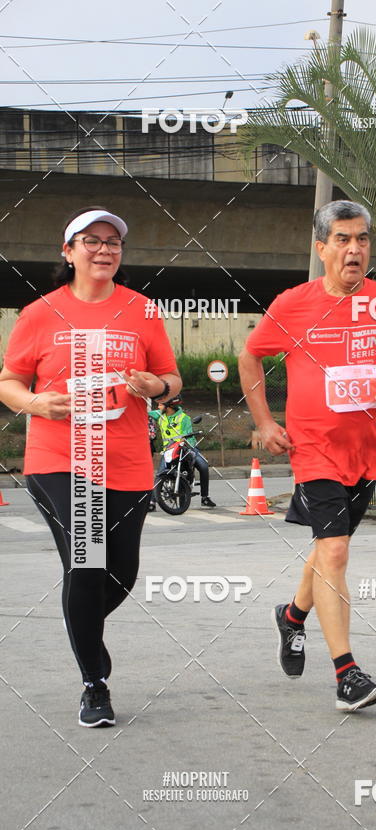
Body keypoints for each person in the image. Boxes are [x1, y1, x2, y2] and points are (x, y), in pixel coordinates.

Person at [238, 199, 376, 712]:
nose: (354, 249)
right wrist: (265, 423)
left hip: (367, 451)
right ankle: (347, 675)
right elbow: (250, 356)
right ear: (321, 248)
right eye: (342, 239)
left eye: (362, 239)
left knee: (326, 551)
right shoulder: (293, 304)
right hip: (313, 449)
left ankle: (292, 617)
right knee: (336, 551)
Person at [0, 207, 181, 727]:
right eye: (92, 241)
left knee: (120, 575)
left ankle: (82, 625)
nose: (104, 249)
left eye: (113, 242)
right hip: (60, 458)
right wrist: (38, 403)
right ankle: (94, 683)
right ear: (69, 251)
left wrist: (155, 386)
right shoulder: (39, 313)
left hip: (127, 460)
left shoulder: (143, 310)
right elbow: (9, 382)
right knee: (86, 562)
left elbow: (171, 380)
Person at [149, 397, 216, 507]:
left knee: (203, 466)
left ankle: (205, 497)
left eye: (160, 404)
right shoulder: (160, 415)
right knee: (160, 473)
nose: (158, 407)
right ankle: (152, 502)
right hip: (168, 450)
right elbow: (144, 412)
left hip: (187, 448)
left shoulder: (184, 418)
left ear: (168, 407)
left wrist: (183, 444)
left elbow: (187, 437)